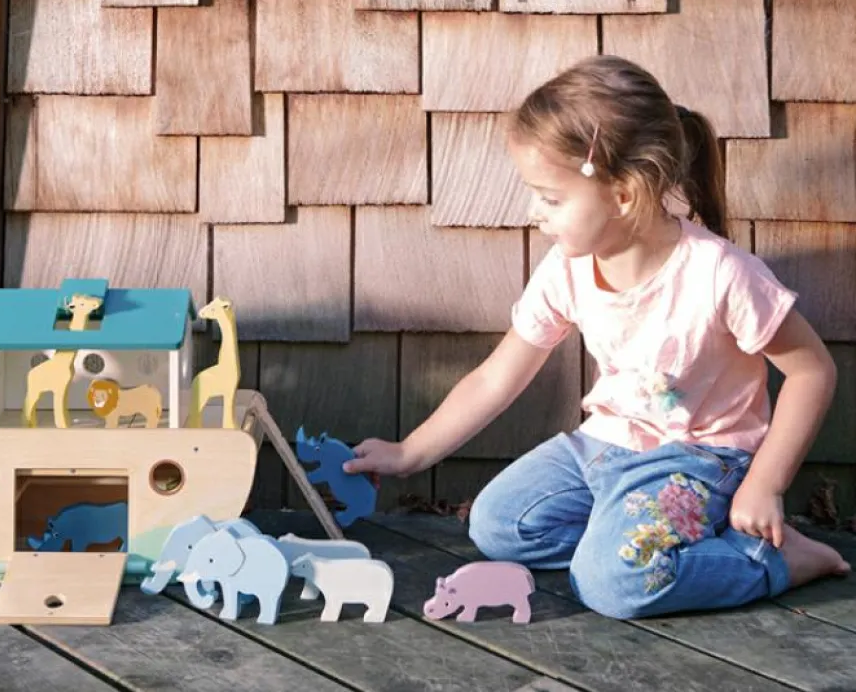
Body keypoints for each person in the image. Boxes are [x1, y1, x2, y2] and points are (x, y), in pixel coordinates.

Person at [344, 55, 850, 619]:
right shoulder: (567, 268)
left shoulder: (720, 275)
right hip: (603, 446)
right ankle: (628, 541)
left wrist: (765, 485)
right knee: (498, 525)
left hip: (700, 458)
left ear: (624, 195)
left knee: (613, 586)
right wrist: (412, 451)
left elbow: (812, 371)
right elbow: (498, 374)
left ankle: (772, 560)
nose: (535, 213)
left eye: (551, 198)